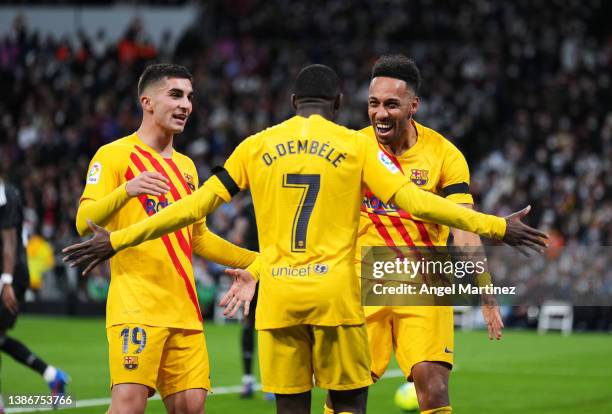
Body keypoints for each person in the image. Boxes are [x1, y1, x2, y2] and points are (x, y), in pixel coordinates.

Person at [63, 64, 547, 414]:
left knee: (291, 407)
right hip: (338, 294)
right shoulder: (356, 145)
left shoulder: (255, 145)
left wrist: (118, 239)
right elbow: (416, 201)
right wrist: (498, 226)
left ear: (293, 104)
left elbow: (192, 210)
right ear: (339, 105)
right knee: (348, 400)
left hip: (281, 298)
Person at [325, 54, 504, 414]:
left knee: (433, 385)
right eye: (373, 104)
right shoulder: (351, 149)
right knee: (344, 394)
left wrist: (486, 291)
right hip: (362, 280)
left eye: (391, 104)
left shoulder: (444, 154)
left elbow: (464, 226)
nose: (380, 114)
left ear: (413, 105)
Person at [73, 63, 257, 414]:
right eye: (175, 95)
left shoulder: (187, 167)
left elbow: (198, 238)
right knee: (128, 407)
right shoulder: (114, 155)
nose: (186, 104)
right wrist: (127, 190)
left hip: (185, 312)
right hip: (137, 307)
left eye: (189, 97)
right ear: (147, 102)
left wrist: (254, 260)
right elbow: (84, 221)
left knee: (191, 408)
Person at [0, 174, 69, 398]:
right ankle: (51, 375)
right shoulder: (10, 191)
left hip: (11, 275)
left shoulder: (5, 195)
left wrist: (7, 281)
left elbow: (9, 242)